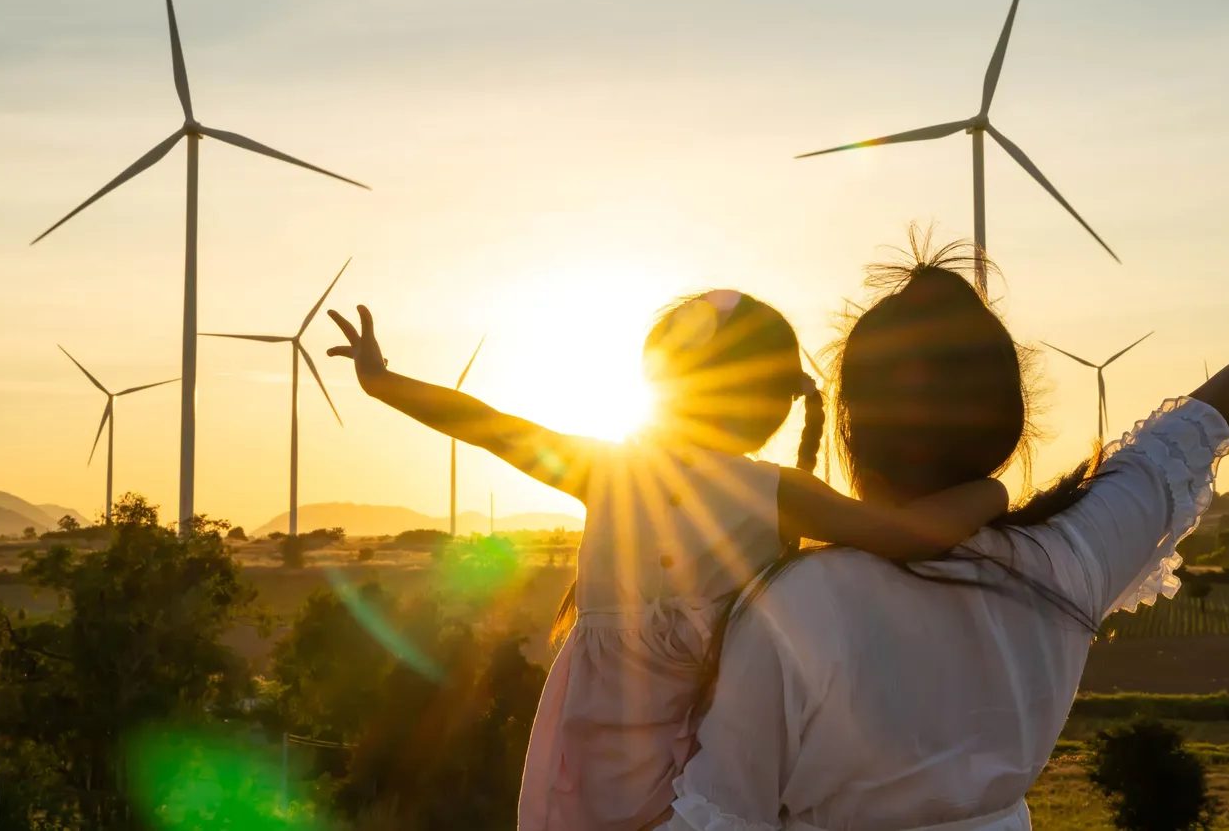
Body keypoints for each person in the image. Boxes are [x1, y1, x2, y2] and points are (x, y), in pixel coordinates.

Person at [663, 219, 1229, 831]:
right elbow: (1207, 417)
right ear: (1007, 422)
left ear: (851, 426)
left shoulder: (795, 607)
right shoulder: (1065, 559)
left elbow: (720, 814)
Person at [324, 289, 1011, 831]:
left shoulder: (607, 469)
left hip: (605, 752)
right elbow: (904, 535)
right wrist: (992, 492)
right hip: (705, 757)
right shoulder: (773, 492)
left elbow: (486, 426)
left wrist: (382, 382)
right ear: (770, 402)